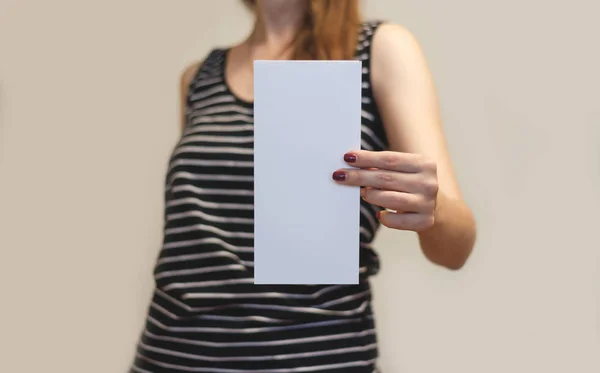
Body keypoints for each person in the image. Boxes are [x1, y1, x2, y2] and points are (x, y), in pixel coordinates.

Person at [130, 0, 477, 371]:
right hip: (171, 355)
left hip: (313, 358)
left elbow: (456, 249)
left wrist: (432, 208)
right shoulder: (199, 77)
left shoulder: (380, 48)